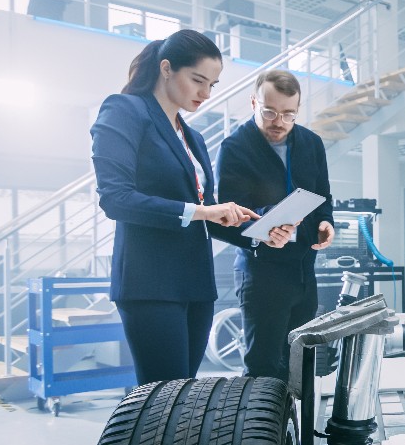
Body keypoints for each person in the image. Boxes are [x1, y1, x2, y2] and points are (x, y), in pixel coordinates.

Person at [91, 29, 289, 386]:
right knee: (160, 399)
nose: (205, 93)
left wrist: (260, 235)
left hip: (195, 284)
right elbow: (116, 199)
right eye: (198, 80)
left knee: (182, 399)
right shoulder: (125, 111)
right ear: (166, 69)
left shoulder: (193, 137)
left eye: (212, 84)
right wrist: (202, 211)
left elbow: (209, 217)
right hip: (150, 282)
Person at [216, 70, 335, 385]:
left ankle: (295, 433)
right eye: (269, 112)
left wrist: (326, 223)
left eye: (288, 114)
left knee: (301, 364)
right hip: (262, 275)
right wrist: (266, 225)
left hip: (304, 272)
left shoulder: (311, 143)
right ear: (254, 102)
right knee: (264, 369)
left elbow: (323, 196)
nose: (278, 122)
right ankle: (261, 433)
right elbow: (225, 217)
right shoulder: (234, 148)